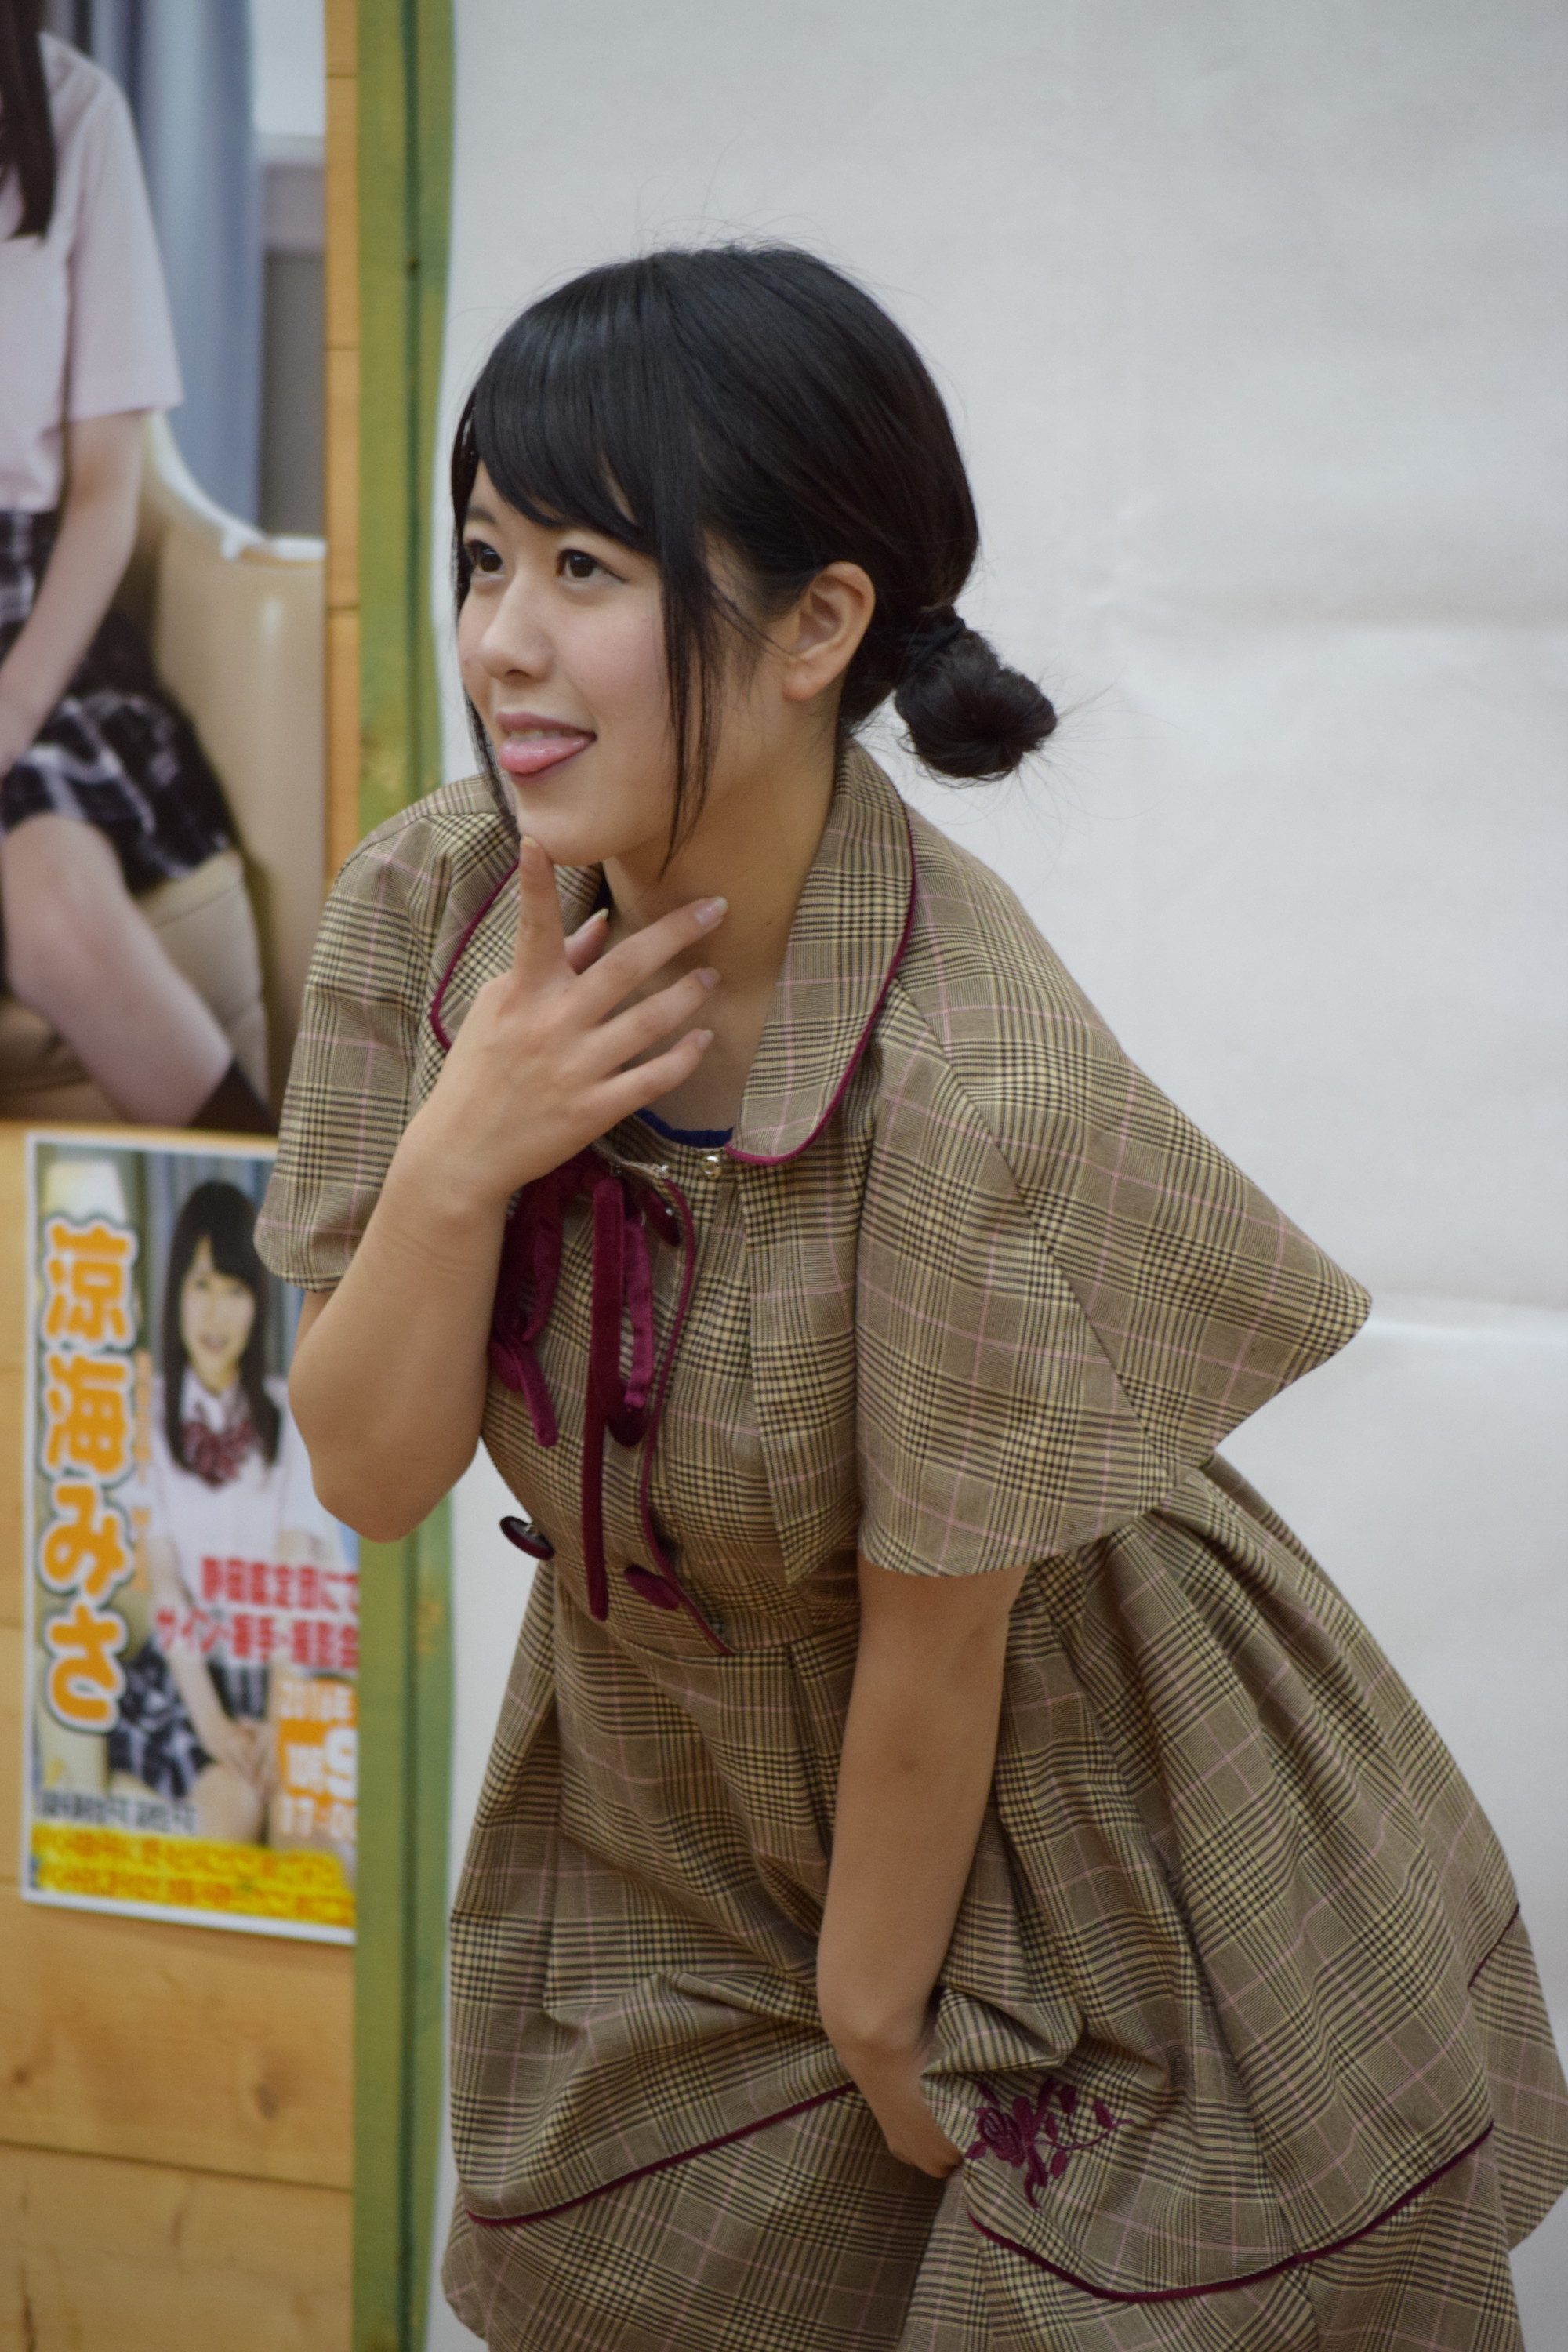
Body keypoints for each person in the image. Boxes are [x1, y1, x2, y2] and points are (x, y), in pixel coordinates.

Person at [259, 246, 1567, 2349]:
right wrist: (461, 1145)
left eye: (586, 567)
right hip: (660, 1809)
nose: (501, 637)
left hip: (1091, 1830)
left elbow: (941, 1642)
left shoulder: (970, 1073)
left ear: (818, 627)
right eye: (484, 552)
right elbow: (368, 1467)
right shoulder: (431, 910)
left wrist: (880, 2022)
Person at [0, 0, 270, 1131]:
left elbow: (108, 493)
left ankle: (279, 1226)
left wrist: (11, 709)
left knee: (55, 912)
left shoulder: (76, 112)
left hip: (33, 626)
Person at [110, 1180, 345, 1842]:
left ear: (259, 1300)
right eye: (201, 1284)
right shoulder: (145, 1414)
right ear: (176, 1291)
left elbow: (294, 1574)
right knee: (233, 1809)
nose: (216, 1313)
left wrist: (278, 1715)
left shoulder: (291, 1410)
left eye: (236, 1289)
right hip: (185, 1674)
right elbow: (165, 1583)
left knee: (307, 1834)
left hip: (278, 1665)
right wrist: (212, 1724)